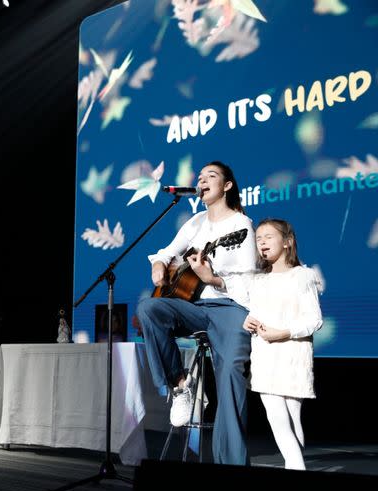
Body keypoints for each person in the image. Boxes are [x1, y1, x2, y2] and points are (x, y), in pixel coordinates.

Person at [136, 160, 257, 466]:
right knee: (149, 307)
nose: (202, 181)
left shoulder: (241, 227)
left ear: (227, 186)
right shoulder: (195, 223)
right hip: (195, 308)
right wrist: (159, 265)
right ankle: (179, 386)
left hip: (232, 307)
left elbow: (249, 280)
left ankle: (230, 462)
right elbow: (166, 252)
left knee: (229, 372)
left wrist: (212, 279)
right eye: (200, 177)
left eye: (211, 176)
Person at [244, 219, 322, 470]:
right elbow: (254, 313)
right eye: (259, 238)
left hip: (292, 355)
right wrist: (249, 321)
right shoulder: (258, 281)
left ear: (287, 242)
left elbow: (314, 321)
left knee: (293, 421)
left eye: (268, 236)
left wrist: (283, 333)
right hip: (265, 357)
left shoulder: (303, 276)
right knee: (277, 419)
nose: (262, 242)